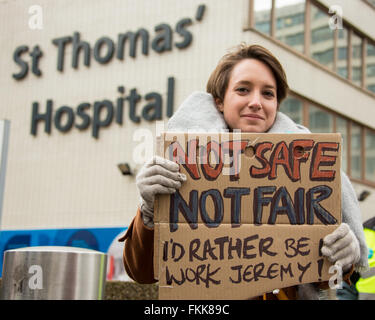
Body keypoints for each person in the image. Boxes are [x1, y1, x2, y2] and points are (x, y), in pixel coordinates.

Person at [119, 44, 369, 299]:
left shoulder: (307, 172)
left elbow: (320, 279)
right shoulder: (182, 162)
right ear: (219, 101)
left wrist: (343, 258)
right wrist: (149, 210)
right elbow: (142, 272)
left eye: (268, 94)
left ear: (276, 105)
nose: (256, 102)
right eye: (243, 89)